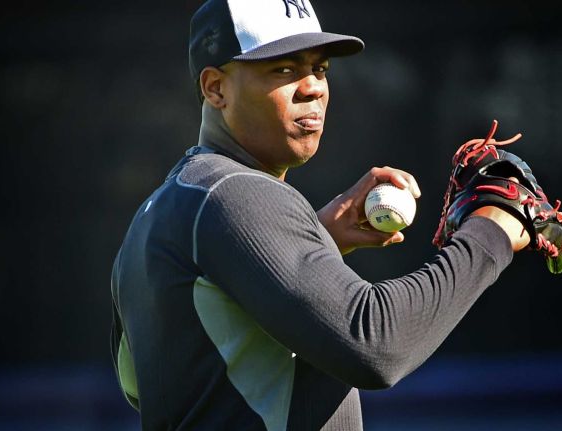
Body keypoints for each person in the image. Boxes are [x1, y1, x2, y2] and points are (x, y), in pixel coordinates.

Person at [110, 0, 530, 429]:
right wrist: (488, 233)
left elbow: (146, 387)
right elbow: (374, 344)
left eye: (321, 68)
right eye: (284, 69)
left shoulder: (162, 209)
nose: (313, 87)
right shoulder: (236, 193)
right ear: (216, 88)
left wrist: (316, 238)